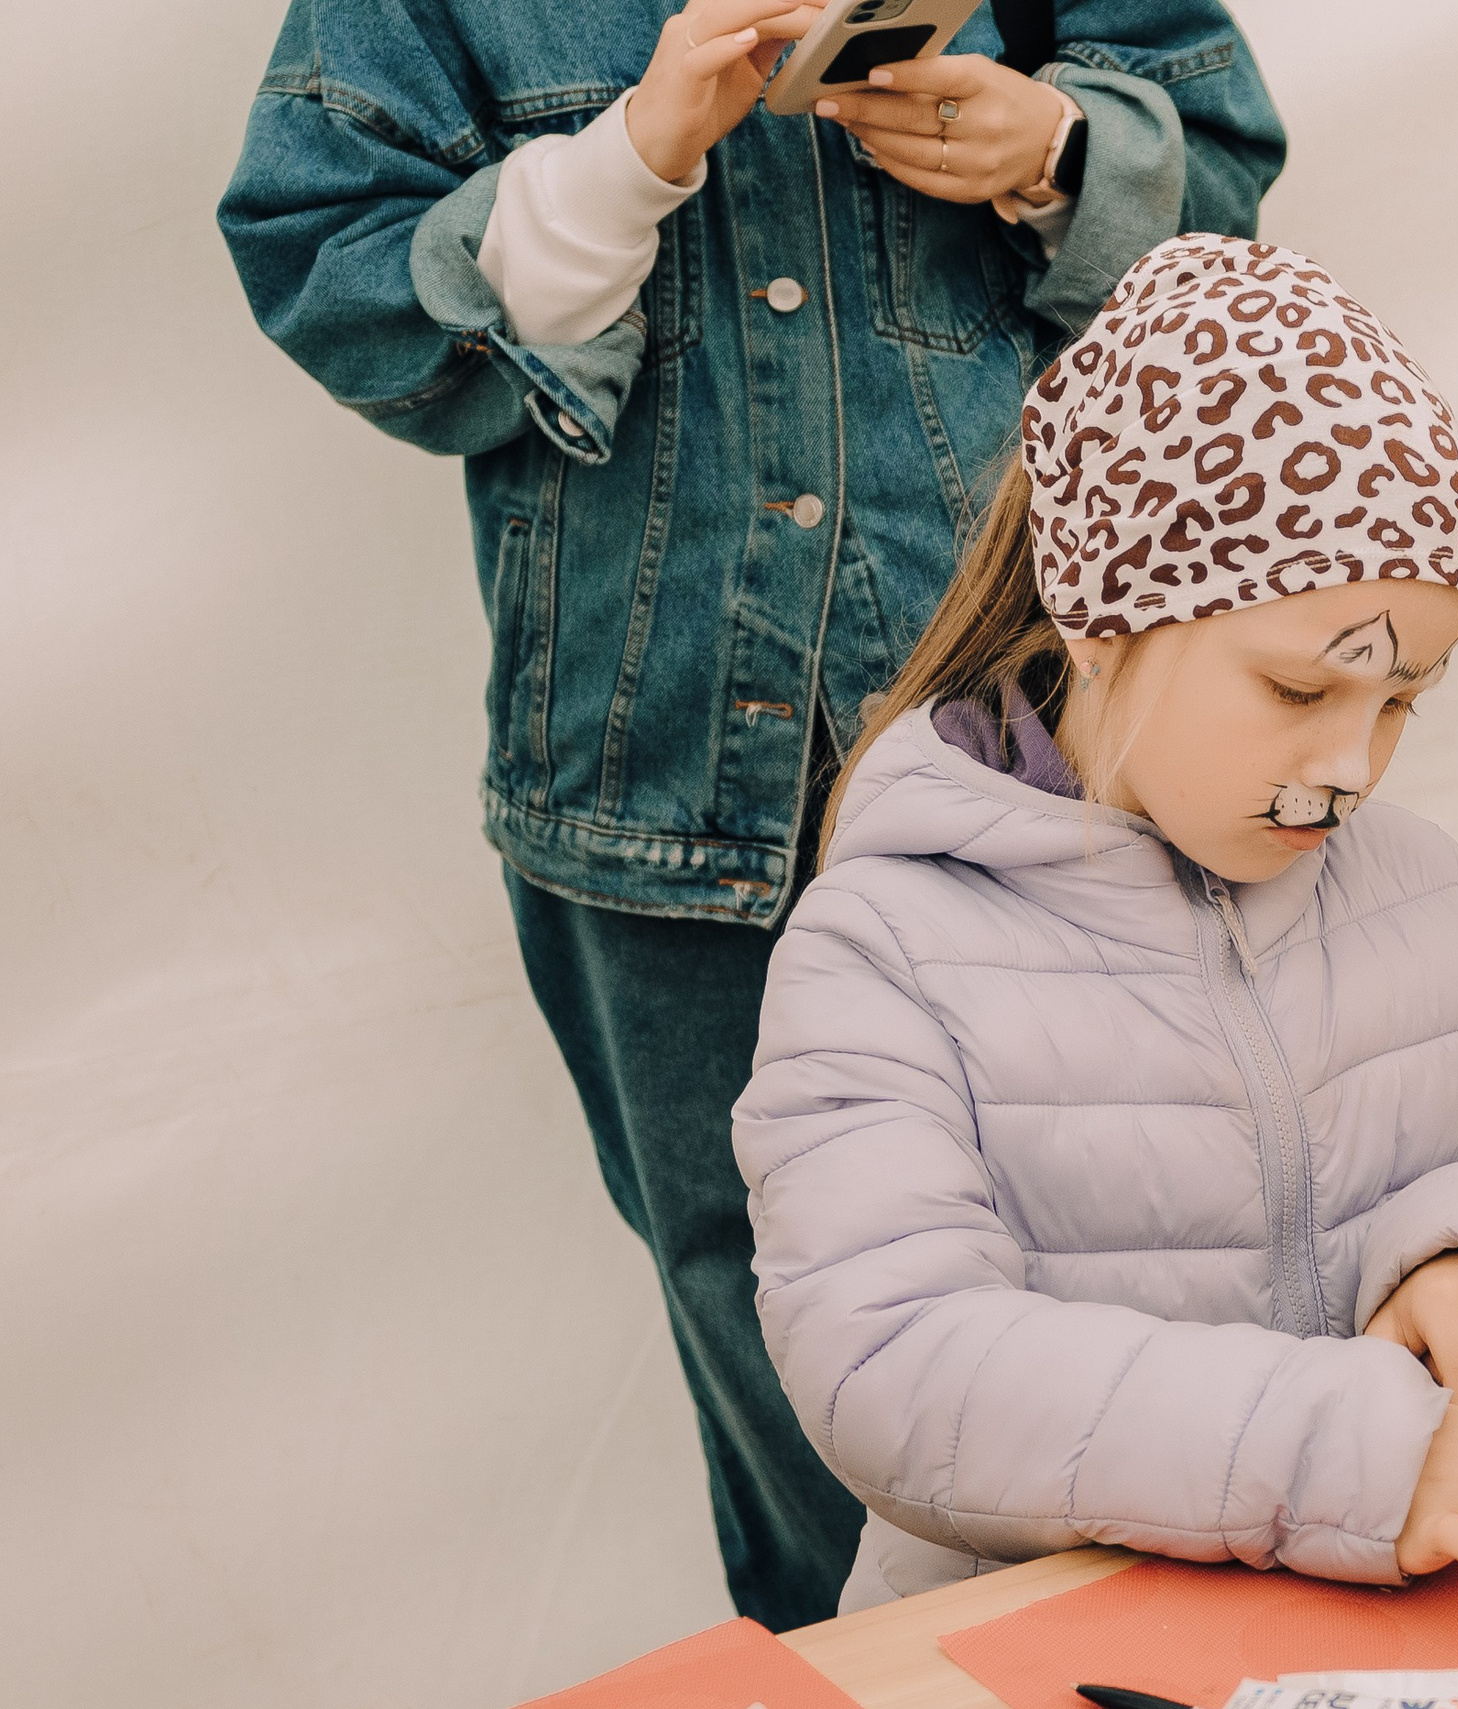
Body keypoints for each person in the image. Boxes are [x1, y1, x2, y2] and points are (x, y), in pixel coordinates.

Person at [218, 0, 1284, 1627]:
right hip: (653, 807)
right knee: (801, 1376)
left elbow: (1223, 177)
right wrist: (624, 165)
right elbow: (321, 255)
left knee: (1145, 1304)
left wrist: (1063, 155)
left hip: (1045, 771)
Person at [733, 235, 1458, 1612]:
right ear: (1101, 615)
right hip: (1042, 1640)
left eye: (1404, 701)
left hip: (1385, 1634)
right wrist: (1356, 1455)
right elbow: (897, 1366)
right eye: (1302, 692)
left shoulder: (1429, 897)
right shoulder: (883, 947)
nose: (1354, 765)